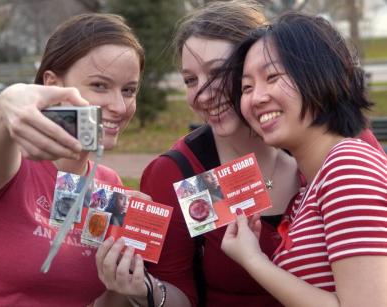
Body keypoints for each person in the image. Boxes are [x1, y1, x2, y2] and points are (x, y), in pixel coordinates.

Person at [94, 2, 385, 307]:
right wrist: (143, 291)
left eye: (219, 73)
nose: (203, 94)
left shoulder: (335, 148)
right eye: (190, 80)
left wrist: (255, 261)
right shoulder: (176, 172)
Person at [0, 13, 144, 307]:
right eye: (100, 85)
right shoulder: (10, 160)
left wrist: (124, 284)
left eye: (128, 90)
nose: (119, 106)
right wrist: (10, 100)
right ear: (52, 84)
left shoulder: (108, 186)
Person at [220, 12, 387, 307]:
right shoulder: (311, 187)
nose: (256, 97)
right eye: (246, 87)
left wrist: (254, 261)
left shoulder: (347, 168)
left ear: (320, 75)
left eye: (272, 77)